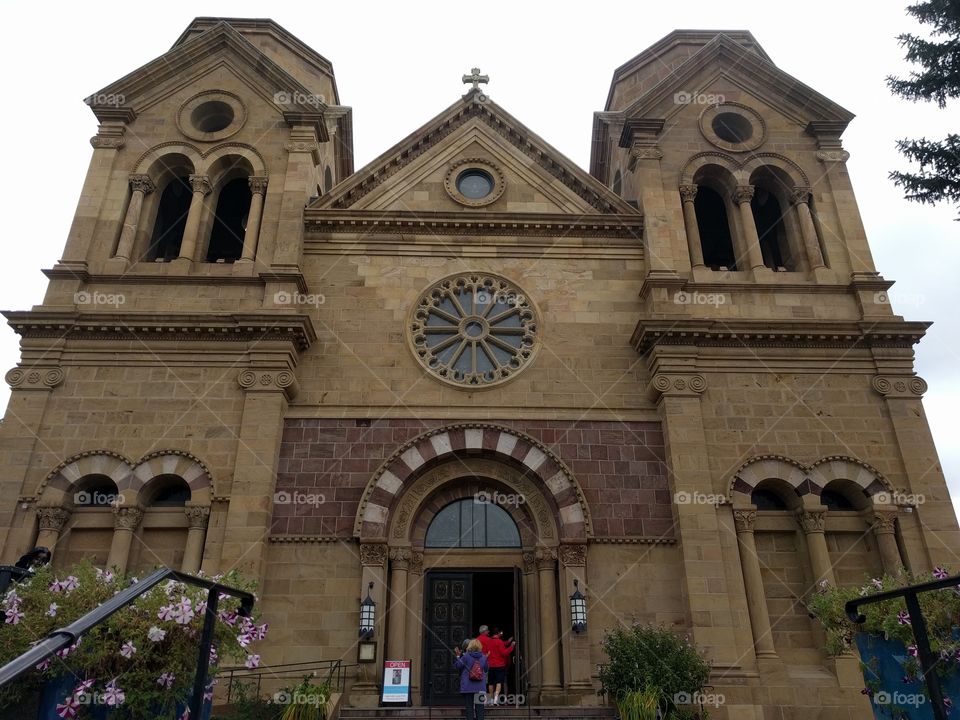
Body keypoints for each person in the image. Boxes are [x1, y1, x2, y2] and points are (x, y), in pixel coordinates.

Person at [454, 638, 488, 720]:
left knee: (469, 708)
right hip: (480, 687)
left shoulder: (466, 656)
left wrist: (458, 656)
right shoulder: (483, 657)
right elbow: (486, 669)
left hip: (468, 687)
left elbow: (458, 666)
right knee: (480, 709)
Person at [487, 627, 515, 704]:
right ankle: (496, 698)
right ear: (498, 633)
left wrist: (508, 642)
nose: (501, 634)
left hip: (491, 665)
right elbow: (504, 652)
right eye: (501, 633)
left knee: (491, 683)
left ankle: (491, 699)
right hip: (499, 665)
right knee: (499, 682)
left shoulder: (489, 641)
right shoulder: (499, 642)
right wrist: (512, 646)